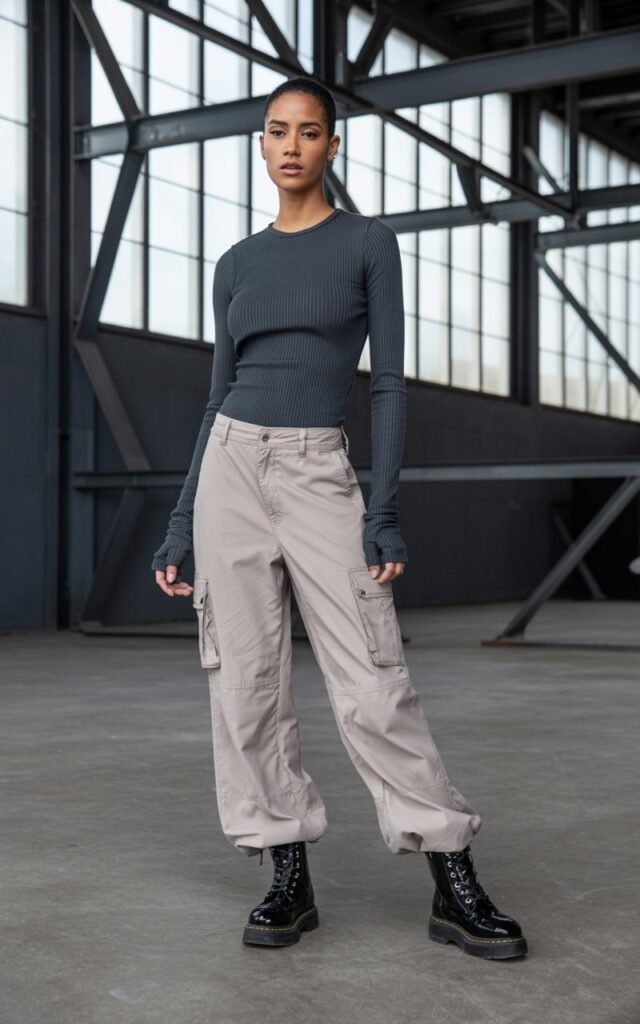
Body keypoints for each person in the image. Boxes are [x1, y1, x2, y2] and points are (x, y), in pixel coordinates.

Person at [151, 76, 528, 961]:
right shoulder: (236, 264)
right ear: (261, 145)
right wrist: (180, 524)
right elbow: (214, 402)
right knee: (243, 683)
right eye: (276, 132)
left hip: (321, 470)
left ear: (332, 145)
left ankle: (452, 874)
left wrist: (383, 511)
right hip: (231, 471)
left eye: (308, 132)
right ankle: (286, 874)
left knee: (372, 680)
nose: (290, 146)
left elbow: (387, 382)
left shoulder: (367, 242)